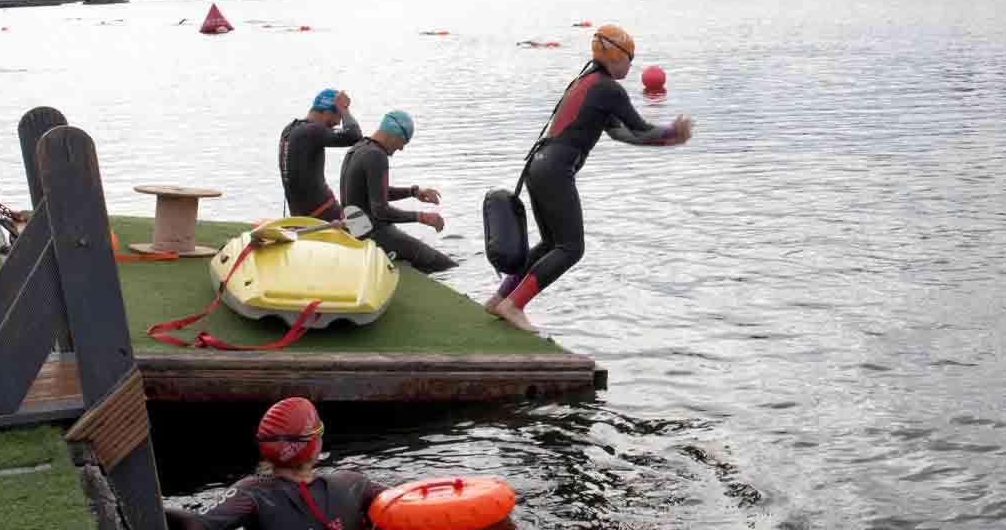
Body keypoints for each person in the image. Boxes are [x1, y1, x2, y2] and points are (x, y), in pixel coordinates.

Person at [485, 25, 694, 332]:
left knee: (551, 244)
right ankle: (514, 304)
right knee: (571, 248)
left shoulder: (588, 82)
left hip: (539, 165)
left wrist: (666, 141)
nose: (631, 65)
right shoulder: (609, 88)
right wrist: (671, 131)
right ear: (615, 56)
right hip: (556, 171)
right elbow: (639, 127)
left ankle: (499, 299)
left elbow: (620, 134)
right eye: (629, 58)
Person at [165, 397, 388, 530]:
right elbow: (407, 499)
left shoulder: (254, 494)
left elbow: (195, 528)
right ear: (314, 445)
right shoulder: (353, 484)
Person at [340, 110, 457, 273]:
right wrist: (422, 217)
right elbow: (380, 210)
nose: (401, 148)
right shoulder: (376, 155)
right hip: (375, 236)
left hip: (357, 232)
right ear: (394, 134)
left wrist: (413, 192)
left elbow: (374, 193)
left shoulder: (358, 148)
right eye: (403, 142)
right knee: (446, 266)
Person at [278, 89, 361, 221]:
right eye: (338, 117)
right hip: (325, 214)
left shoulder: (290, 129)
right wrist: (344, 109)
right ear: (327, 113)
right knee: (367, 228)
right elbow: (354, 135)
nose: (338, 124)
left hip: (300, 217)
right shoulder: (313, 131)